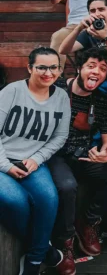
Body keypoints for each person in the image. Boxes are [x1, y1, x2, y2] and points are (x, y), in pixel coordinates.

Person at [48, 48, 107, 274]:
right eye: (92, 66)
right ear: (80, 69)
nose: (97, 72)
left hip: (84, 154)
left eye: (103, 69)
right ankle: (64, 242)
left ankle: (89, 222)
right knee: (67, 186)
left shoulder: (103, 99)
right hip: (55, 155)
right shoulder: (57, 90)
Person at [0, 47, 70, 275]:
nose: (47, 72)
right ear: (30, 68)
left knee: (49, 198)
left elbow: (60, 136)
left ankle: (32, 262)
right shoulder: (12, 91)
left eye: (53, 67)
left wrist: (36, 159)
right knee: (15, 201)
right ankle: (44, 252)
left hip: (31, 161)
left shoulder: (61, 97)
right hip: (2, 159)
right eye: (41, 67)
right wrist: (6, 166)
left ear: (59, 70)